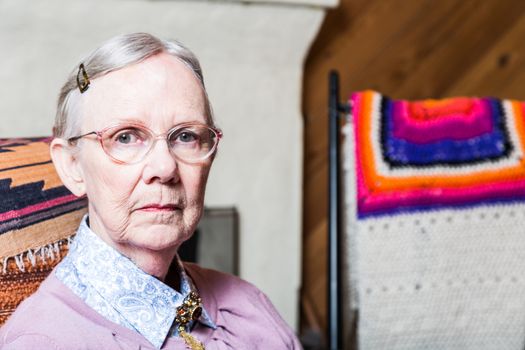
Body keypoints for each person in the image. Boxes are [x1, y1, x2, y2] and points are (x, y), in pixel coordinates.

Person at [0, 32, 301, 349]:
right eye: (126, 137)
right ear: (72, 166)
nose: (165, 168)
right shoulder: (44, 342)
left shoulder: (249, 307)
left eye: (185, 136)